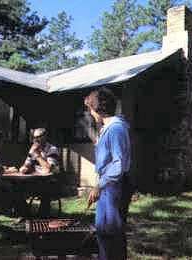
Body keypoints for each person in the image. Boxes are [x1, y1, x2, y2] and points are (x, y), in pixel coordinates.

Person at [84, 87, 131, 260]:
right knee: (103, 231)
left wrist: (99, 185)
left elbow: (118, 164)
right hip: (109, 185)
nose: (91, 114)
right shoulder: (109, 128)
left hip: (114, 186)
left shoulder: (116, 128)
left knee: (110, 234)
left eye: (90, 109)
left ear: (98, 109)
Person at [19, 128, 60, 216]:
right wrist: (23, 168)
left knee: (45, 189)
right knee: (17, 188)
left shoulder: (52, 149)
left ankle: (42, 216)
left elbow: (48, 169)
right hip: (37, 180)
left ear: (45, 137)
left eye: (38, 137)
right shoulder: (33, 149)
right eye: (34, 137)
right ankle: (25, 214)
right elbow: (26, 165)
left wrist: (37, 155)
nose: (35, 140)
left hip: (52, 181)